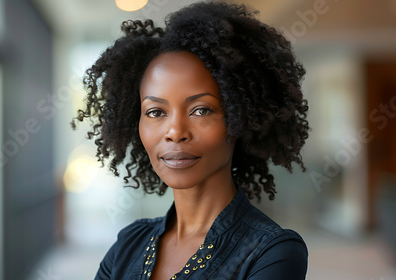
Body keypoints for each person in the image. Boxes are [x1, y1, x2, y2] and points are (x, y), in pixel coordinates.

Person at [72, 2, 310, 279]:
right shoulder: (129, 243)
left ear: (241, 118)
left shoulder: (272, 253)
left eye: (201, 110)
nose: (175, 131)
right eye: (155, 112)